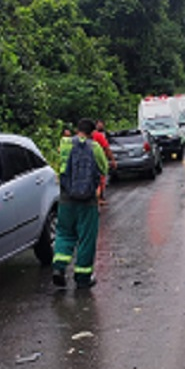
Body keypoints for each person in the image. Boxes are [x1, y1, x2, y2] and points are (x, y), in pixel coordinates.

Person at [52, 118, 108, 289]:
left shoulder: (65, 144)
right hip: (87, 201)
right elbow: (104, 168)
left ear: (77, 129)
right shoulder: (94, 147)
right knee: (86, 238)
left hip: (66, 198)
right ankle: (83, 277)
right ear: (92, 133)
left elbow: (60, 165)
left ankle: (59, 268)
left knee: (64, 233)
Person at [93, 119, 116, 205]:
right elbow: (106, 148)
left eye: (101, 124)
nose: (100, 126)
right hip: (98, 160)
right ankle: (99, 198)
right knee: (100, 180)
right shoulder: (99, 136)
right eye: (99, 124)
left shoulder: (80, 137)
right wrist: (112, 160)